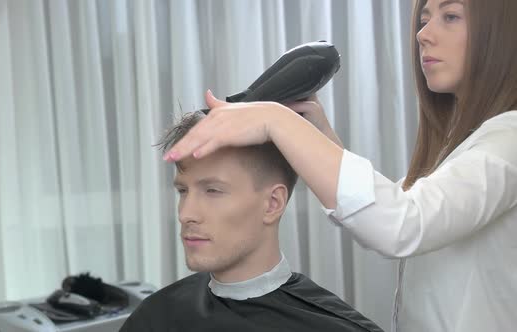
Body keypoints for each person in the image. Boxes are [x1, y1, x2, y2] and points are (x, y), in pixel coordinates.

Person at [162, 0, 517, 331]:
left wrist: (277, 122)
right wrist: (320, 136)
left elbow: (402, 224)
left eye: (450, 16)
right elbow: (392, 210)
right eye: (423, 20)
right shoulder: (472, 141)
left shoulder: (509, 142)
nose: (422, 34)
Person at [120, 111, 383, 332]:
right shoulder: (154, 319)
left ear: (273, 204)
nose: (185, 213)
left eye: (212, 190)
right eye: (183, 191)